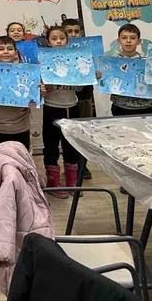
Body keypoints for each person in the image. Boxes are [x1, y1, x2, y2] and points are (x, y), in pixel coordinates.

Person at [41, 26, 83, 198]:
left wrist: (84, 75)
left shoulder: (76, 59)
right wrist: (49, 80)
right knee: (51, 145)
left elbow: (79, 89)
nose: (58, 41)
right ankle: (53, 182)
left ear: (67, 40)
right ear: (48, 42)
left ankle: (72, 181)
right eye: (54, 38)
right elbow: (45, 90)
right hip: (51, 107)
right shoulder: (44, 61)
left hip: (72, 107)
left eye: (62, 38)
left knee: (71, 145)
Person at [62, 17, 93, 180]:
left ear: (81, 33)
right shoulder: (56, 52)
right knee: (66, 136)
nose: (73, 35)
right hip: (63, 100)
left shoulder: (90, 51)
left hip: (84, 98)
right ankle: (69, 166)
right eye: (69, 32)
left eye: (76, 31)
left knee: (83, 135)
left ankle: (82, 167)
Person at [105, 24, 152, 116]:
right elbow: (106, 82)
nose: (128, 41)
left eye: (133, 38)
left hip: (144, 107)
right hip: (120, 106)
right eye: (124, 38)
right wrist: (100, 76)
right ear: (118, 41)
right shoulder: (112, 61)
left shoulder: (147, 61)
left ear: (139, 41)